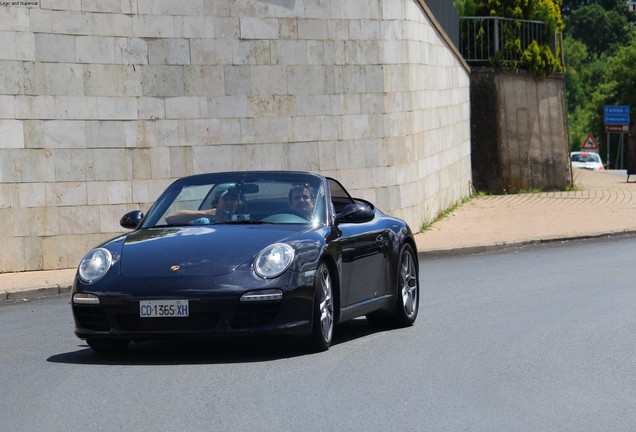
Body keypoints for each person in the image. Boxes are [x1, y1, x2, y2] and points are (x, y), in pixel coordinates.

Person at [165, 185, 241, 225]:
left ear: (238, 203)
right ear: (217, 202)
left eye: (233, 199)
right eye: (225, 199)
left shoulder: (245, 221)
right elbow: (170, 218)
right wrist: (205, 213)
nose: (229, 202)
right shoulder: (206, 221)